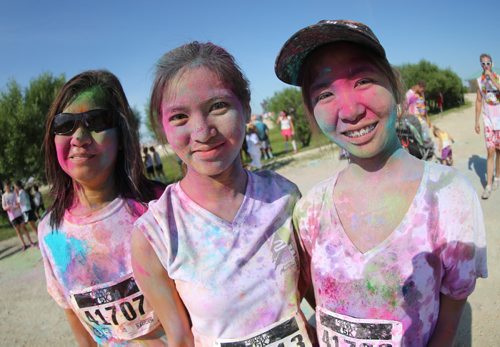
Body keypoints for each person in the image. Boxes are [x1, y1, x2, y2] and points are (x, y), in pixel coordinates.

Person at [275, 19, 487, 346]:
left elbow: (451, 310)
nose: (350, 110)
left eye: (363, 80)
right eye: (325, 93)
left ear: (393, 85)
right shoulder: (310, 209)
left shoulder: (448, 195)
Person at [131, 41, 312, 346]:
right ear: (162, 129)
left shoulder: (283, 196)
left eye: (218, 106)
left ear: (246, 109)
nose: (202, 132)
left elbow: (319, 301)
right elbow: (180, 338)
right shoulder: (154, 234)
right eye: (179, 117)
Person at [38, 70, 167, 346]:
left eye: (96, 121)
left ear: (121, 136)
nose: (80, 136)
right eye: (65, 124)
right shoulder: (50, 233)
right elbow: (77, 323)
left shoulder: (160, 205)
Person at [475, 53, 500, 199]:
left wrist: (493, 80)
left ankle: (497, 177)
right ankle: (488, 185)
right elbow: (479, 101)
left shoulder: (498, 77)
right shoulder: (479, 81)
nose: (486, 66)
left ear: (492, 63)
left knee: (499, 151)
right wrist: (476, 121)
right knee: (490, 151)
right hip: (488, 120)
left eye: (488, 63)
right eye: (483, 64)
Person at [2, 180, 36, 250]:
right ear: (5, 188)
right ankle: (24, 245)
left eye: (8, 186)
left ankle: (31, 242)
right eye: (6, 187)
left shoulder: (14, 193)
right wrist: (7, 207)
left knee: (24, 228)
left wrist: (15, 206)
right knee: (18, 230)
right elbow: (4, 207)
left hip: (19, 214)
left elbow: (18, 202)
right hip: (12, 217)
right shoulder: (4, 196)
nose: (8, 188)